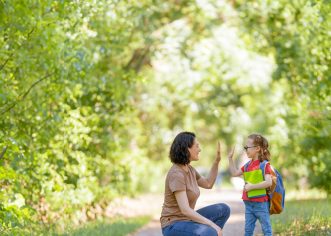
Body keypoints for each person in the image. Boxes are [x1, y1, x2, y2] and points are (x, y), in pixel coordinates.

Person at [160, 131, 230, 236]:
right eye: (197, 146)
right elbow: (185, 210)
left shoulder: (190, 169)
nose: (200, 149)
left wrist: (216, 162)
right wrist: (212, 225)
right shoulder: (177, 174)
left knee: (223, 209)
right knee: (209, 231)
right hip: (172, 225)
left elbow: (208, 184)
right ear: (187, 148)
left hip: (187, 220)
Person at [228, 134, 273, 236]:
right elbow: (235, 173)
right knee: (248, 231)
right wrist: (230, 159)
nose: (245, 150)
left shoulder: (264, 165)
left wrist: (252, 186)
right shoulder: (247, 165)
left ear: (257, 148)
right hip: (249, 204)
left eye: (247, 147)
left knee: (266, 230)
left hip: (261, 204)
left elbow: (268, 182)